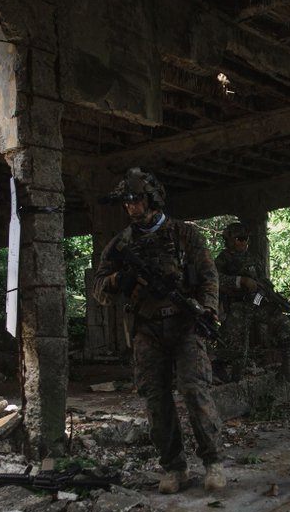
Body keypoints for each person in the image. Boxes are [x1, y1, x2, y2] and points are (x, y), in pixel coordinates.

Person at [92, 168, 227, 493]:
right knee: (156, 398)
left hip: (185, 324)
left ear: (151, 199)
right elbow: (98, 288)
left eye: (135, 200)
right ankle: (173, 467)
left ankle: (213, 462)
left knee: (195, 390)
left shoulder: (185, 235)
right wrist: (116, 282)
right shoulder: (121, 244)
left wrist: (206, 309)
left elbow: (209, 276)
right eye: (126, 202)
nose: (130, 207)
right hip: (146, 328)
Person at [213, 222, 290, 382]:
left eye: (246, 239)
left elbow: (262, 279)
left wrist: (267, 292)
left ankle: (287, 366)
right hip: (236, 308)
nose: (244, 242)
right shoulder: (222, 259)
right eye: (240, 239)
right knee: (238, 353)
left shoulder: (253, 258)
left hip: (257, 304)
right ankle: (230, 379)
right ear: (230, 240)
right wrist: (239, 281)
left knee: (283, 322)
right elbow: (214, 279)